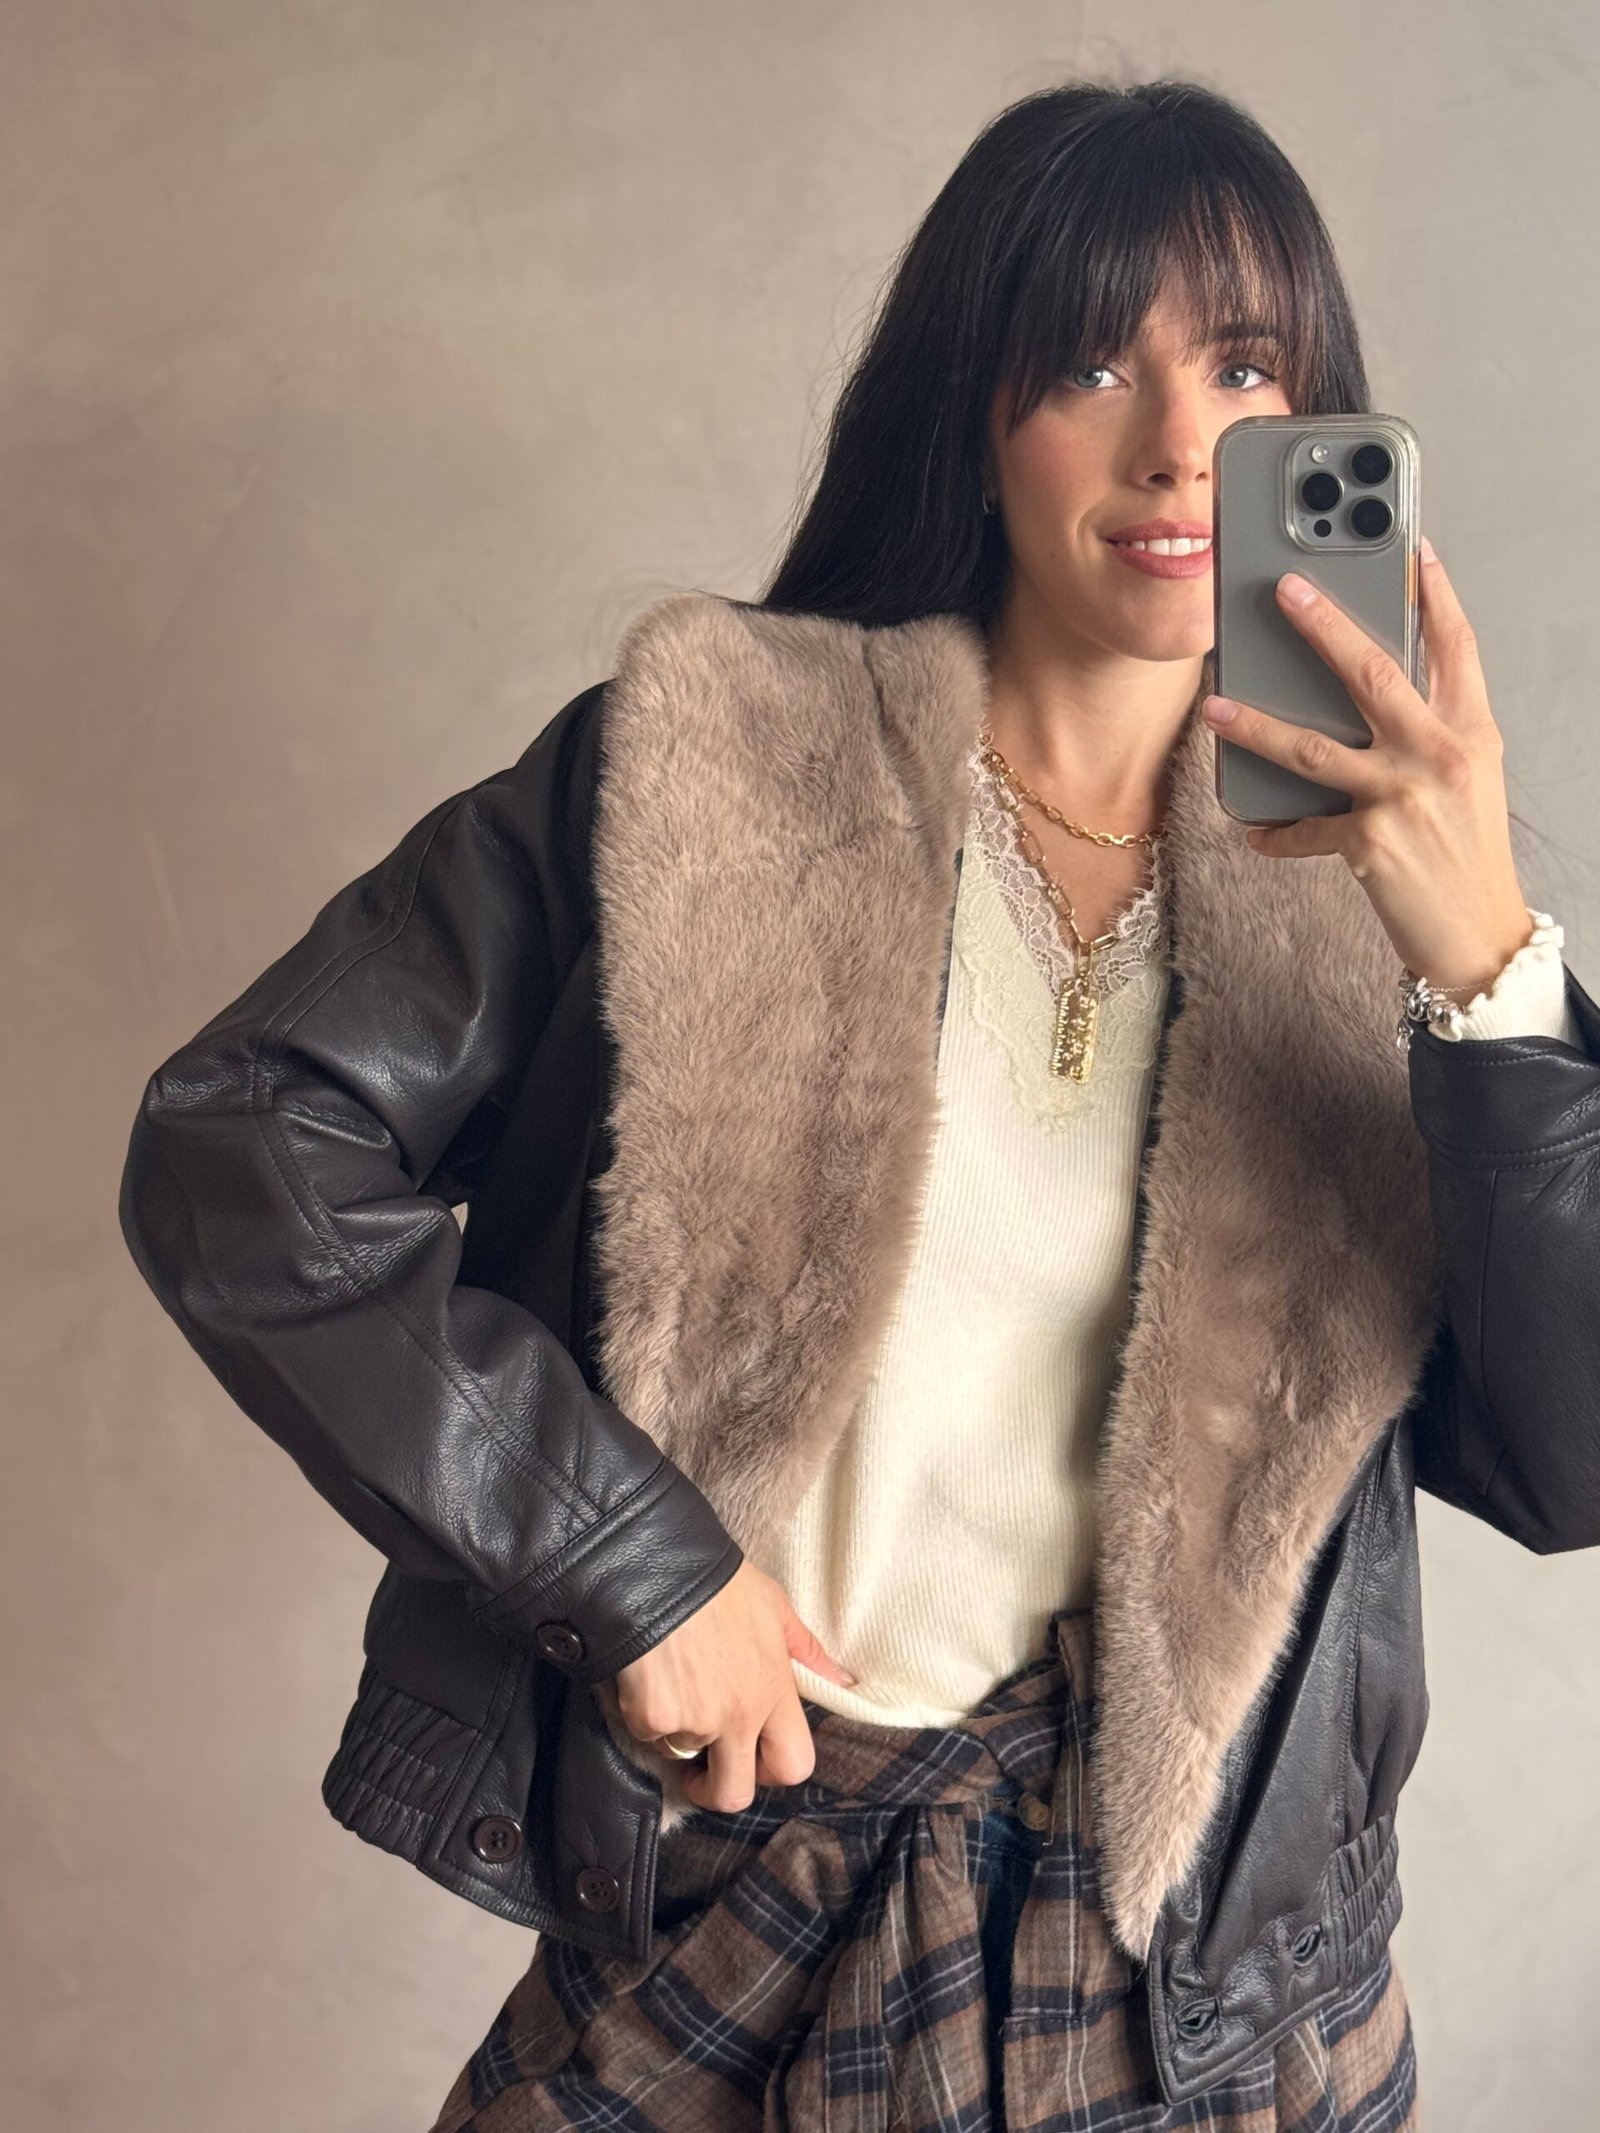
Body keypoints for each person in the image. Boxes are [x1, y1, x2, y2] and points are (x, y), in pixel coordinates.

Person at [119, 78, 1600, 2131]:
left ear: (1317, 420)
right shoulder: (711, 769)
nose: (1179, 444)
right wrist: (629, 1561)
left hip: (1205, 2003)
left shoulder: (1389, 902)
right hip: (742, 1910)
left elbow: (1567, 1452)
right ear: (973, 414)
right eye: (1088, 363)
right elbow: (242, 1140)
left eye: (1245, 367)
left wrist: (1487, 968)